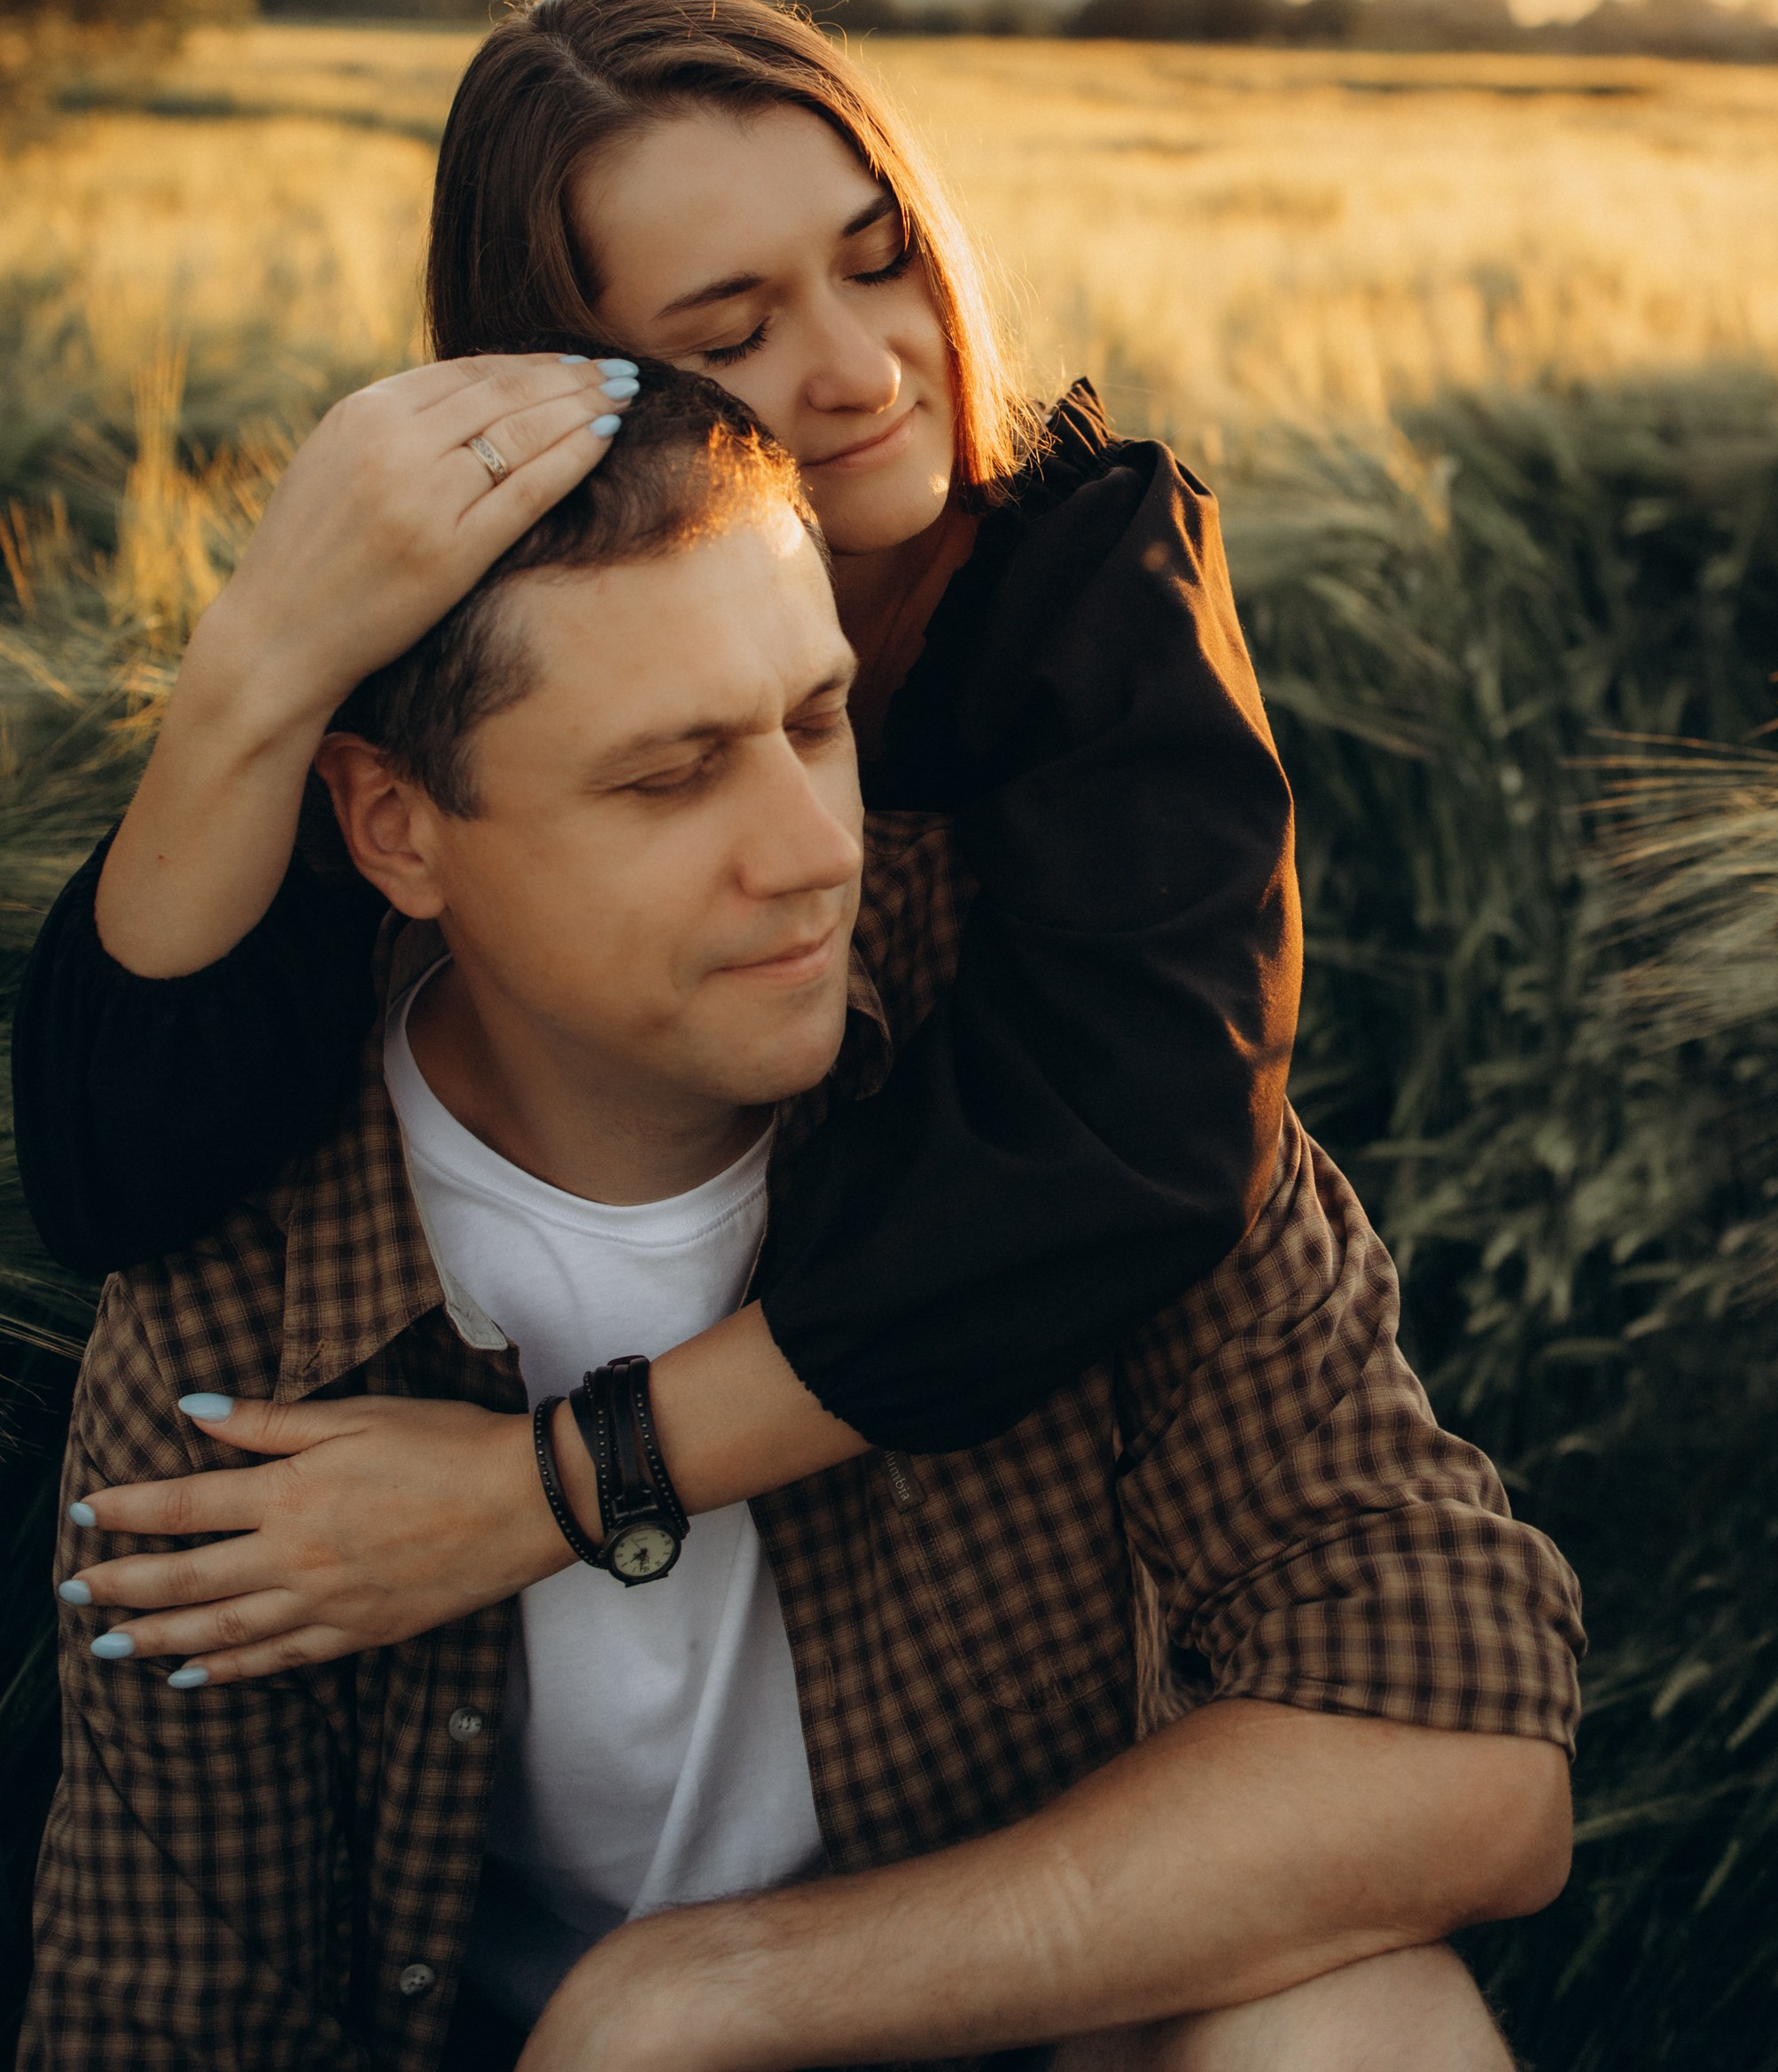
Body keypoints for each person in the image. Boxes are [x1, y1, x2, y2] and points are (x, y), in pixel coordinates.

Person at [26, 375, 1583, 2071]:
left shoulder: (1073, 1083)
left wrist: (701, 1998)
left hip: (1021, 2033)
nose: (809, 849)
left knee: (1361, 2019)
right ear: (397, 826)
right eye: (668, 779)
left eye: (817, 722)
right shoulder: (232, 1315)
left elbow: (1463, 1748)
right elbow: (167, 2021)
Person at [13, 0, 1302, 1679]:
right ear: (571, 385)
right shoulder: (493, 653)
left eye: (877, 255)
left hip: (965, 1589)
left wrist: (537, 1492)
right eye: (731, 330)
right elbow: (126, 1169)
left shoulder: (1085, 584)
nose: (859, 372)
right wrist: (261, 659)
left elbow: (1128, 1152)